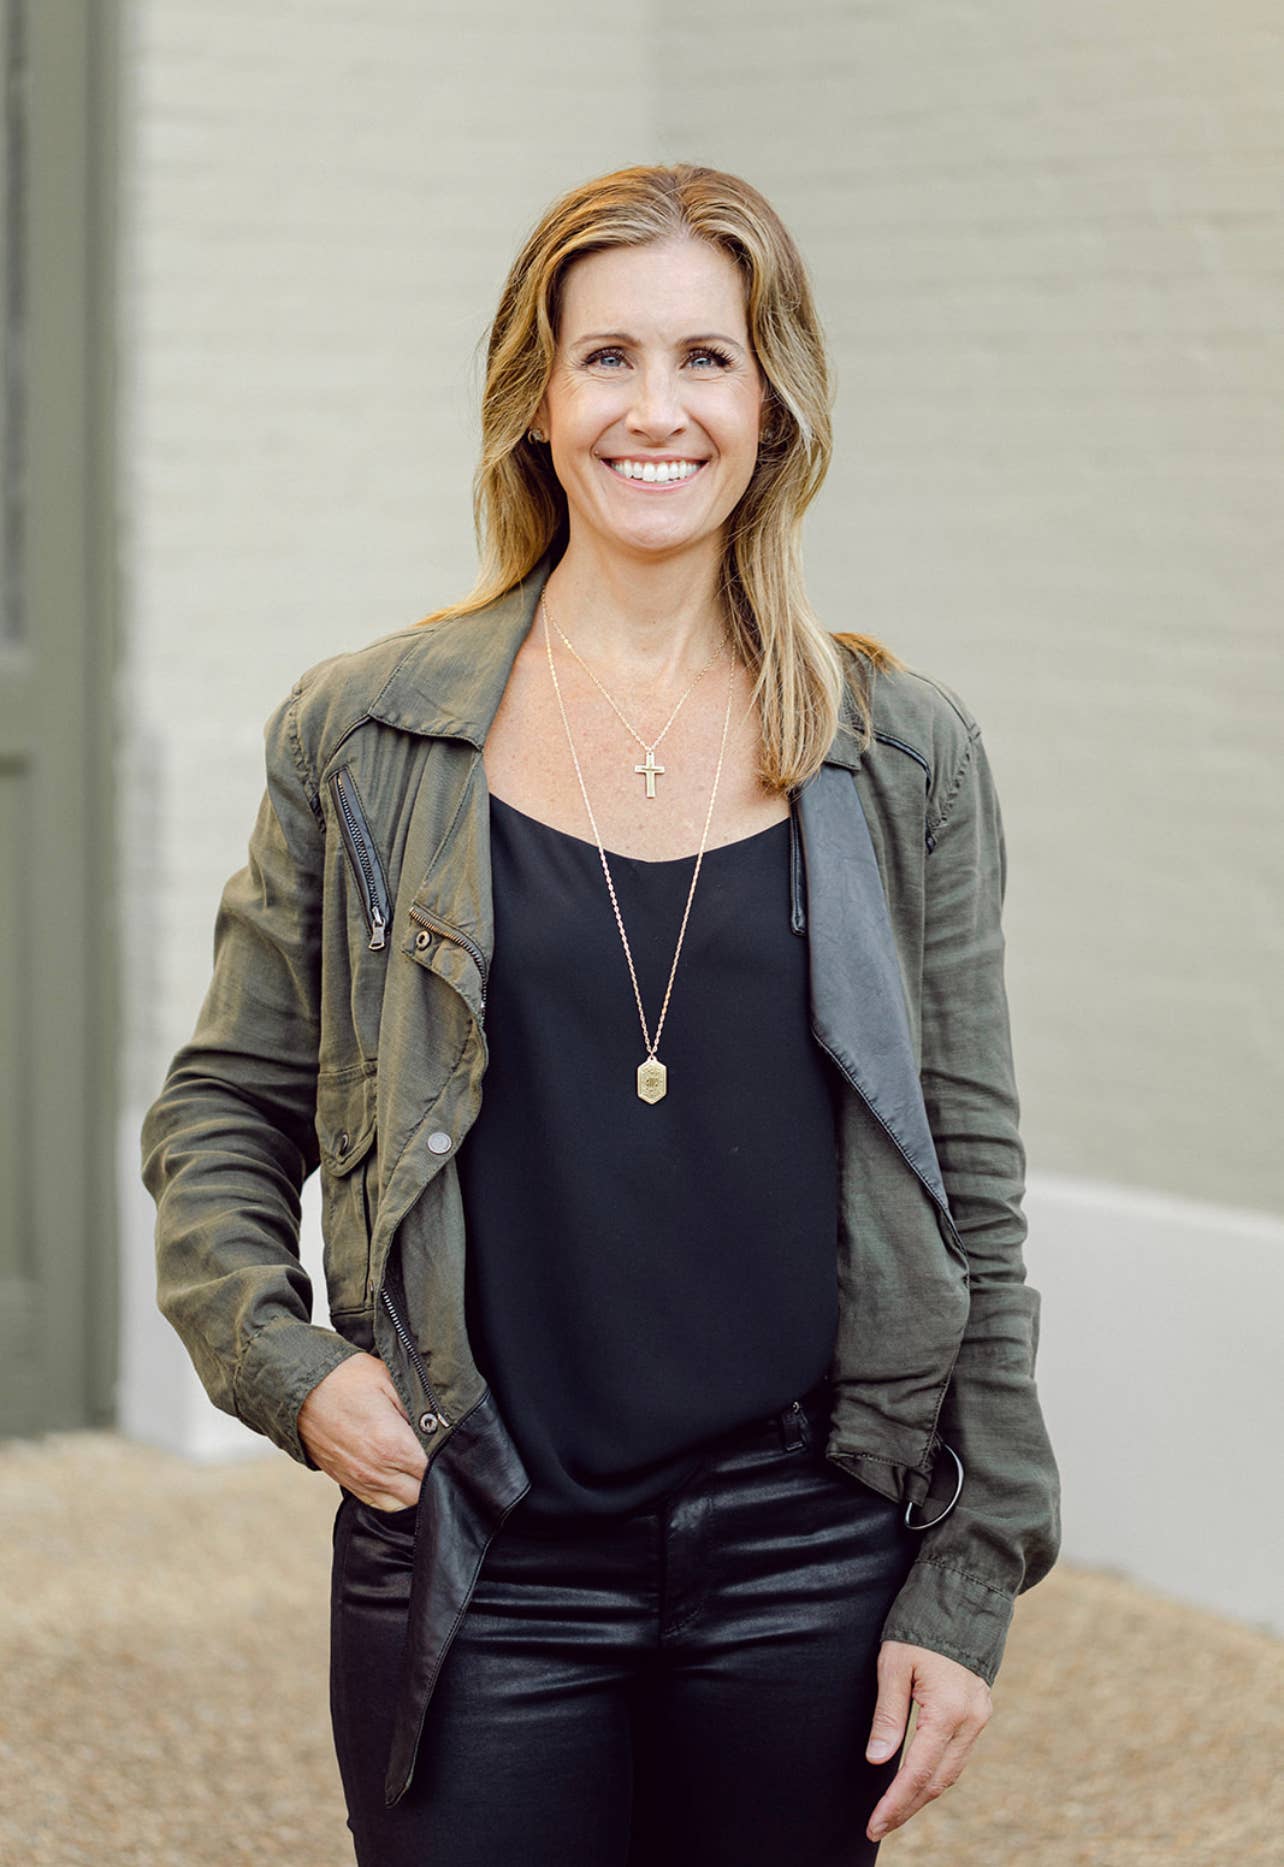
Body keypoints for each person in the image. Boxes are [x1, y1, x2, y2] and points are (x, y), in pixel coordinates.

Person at [140, 161, 1061, 1866]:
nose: (659, 410)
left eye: (708, 359)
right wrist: (283, 1364)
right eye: (609, 359)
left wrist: (970, 1563)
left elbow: (973, 1185)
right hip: (483, 1538)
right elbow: (223, 1107)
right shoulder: (368, 737)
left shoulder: (900, 751)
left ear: (774, 403)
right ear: (538, 401)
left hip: (809, 1541)